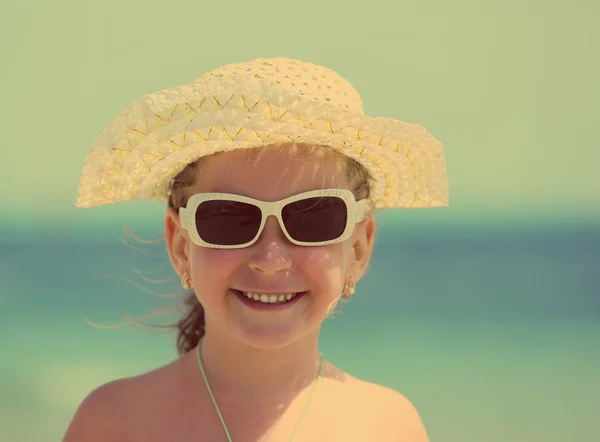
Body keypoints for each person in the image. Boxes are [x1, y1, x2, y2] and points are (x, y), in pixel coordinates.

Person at [63, 56, 448, 442]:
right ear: (181, 245)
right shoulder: (114, 423)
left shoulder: (388, 426)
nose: (270, 259)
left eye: (312, 217)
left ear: (359, 248)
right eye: (229, 217)